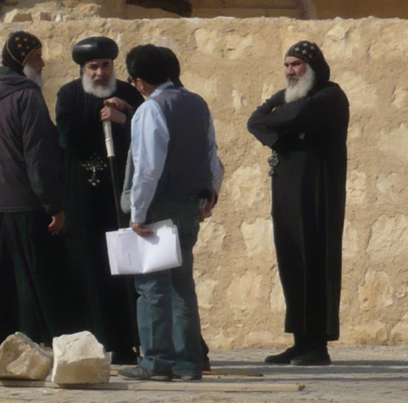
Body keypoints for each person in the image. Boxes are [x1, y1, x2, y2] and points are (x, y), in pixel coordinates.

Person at [0, 31, 83, 366]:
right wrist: (53, 205)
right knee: (42, 281)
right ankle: (53, 351)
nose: (42, 63)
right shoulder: (27, 97)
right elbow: (38, 156)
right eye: (37, 57)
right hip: (30, 207)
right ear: (23, 60)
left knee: (1, 281)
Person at [117, 45, 224, 381]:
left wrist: (138, 212)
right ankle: (189, 362)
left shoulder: (151, 110)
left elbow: (148, 168)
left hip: (159, 206)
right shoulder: (197, 103)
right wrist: (211, 194)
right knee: (182, 285)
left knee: (152, 286)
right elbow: (212, 156)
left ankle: (156, 362)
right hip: (190, 205)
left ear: (138, 81)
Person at [246, 40, 349, 366]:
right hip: (289, 192)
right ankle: (300, 341)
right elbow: (255, 122)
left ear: (313, 66)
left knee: (316, 263)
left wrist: (280, 106)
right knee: (292, 261)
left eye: (297, 65)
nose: (291, 72)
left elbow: (295, 114)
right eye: (287, 66)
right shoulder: (298, 97)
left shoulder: (329, 96)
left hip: (318, 194)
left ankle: (318, 345)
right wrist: (279, 105)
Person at [55, 37, 144, 365]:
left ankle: (127, 343)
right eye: (93, 66)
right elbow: (67, 137)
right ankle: (92, 343)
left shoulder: (128, 93)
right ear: (83, 69)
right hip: (82, 199)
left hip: (118, 196)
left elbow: (148, 131)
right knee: (88, 269)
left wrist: (125, 117)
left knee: (124, 271)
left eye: (105, 65)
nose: (100, 72)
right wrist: (98, 111)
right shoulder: (69, 94)